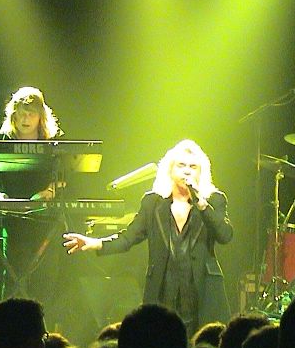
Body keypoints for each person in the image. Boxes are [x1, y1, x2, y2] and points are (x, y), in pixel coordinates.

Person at [63, 139, 232, 336]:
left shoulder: (214, 201)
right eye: (181, 165)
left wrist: (202, 205)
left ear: (200, 172)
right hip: (163, 289)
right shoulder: (152, 203)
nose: (187, 171)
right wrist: (96, 243)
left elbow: (225, 235)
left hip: (202, 291)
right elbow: (128, 238)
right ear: (170, 170)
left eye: (193, 167)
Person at [0, 86, 64, 200]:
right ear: (14, 115)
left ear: (40, 116)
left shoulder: (52, 141)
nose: (26, 120)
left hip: (45, 207)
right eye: (22, 114)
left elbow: (65, 176)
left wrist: (49, 191)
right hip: (6, 208)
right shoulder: (0, 139)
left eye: (31, 115)